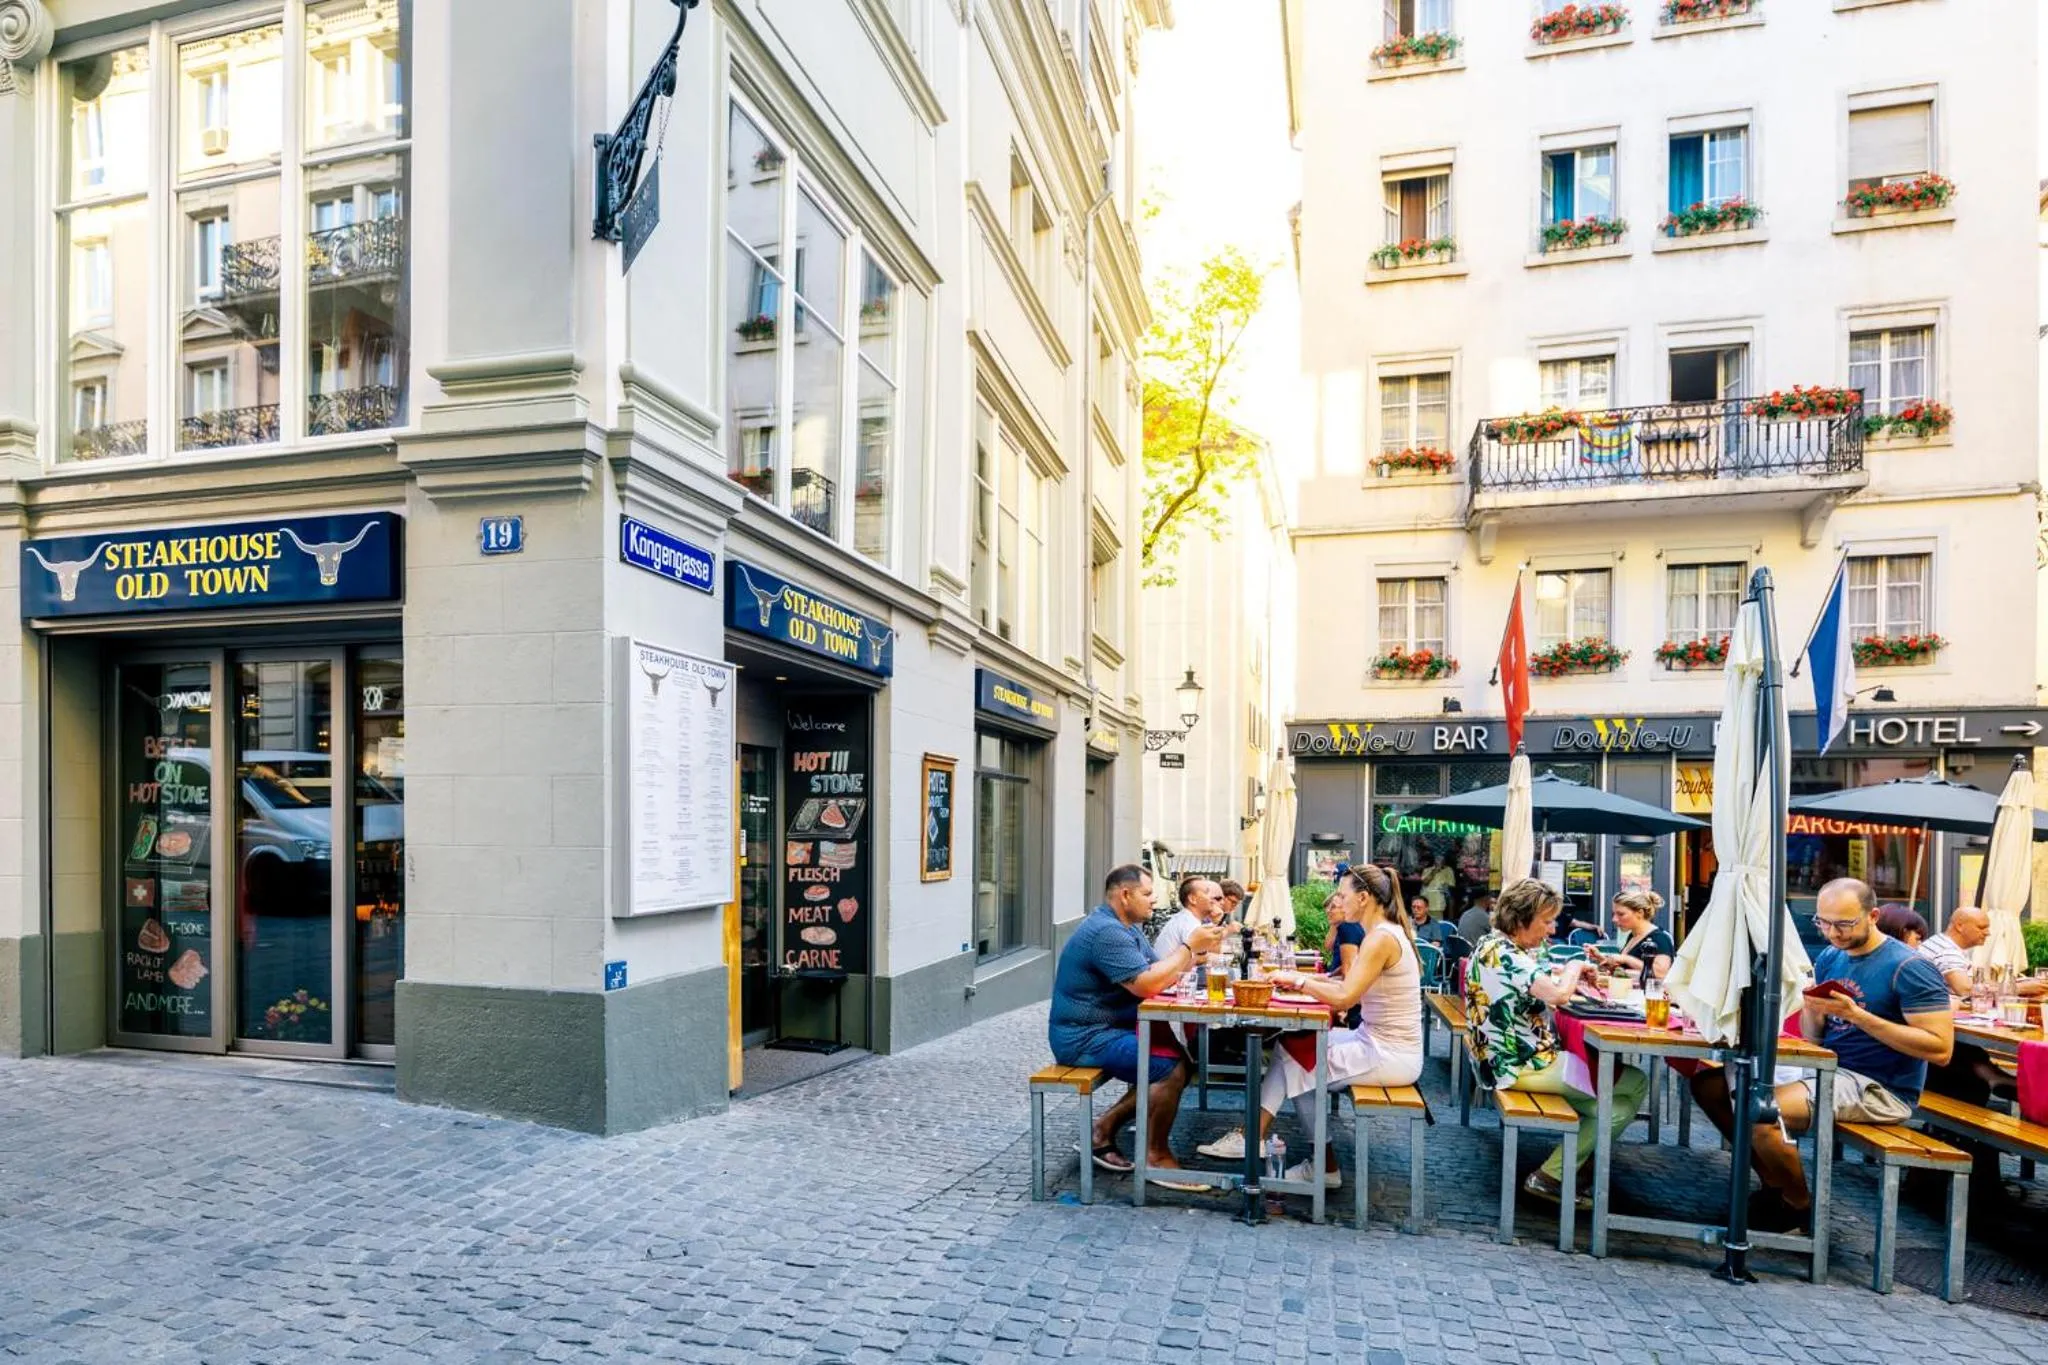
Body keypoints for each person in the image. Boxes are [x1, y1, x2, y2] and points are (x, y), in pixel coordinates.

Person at [1689, 877, 1954, 1233]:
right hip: (1829, 1069)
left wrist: (1856, 1015)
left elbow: (1940, 1049)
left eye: (1844, 924)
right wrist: (1812, 1009)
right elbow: (1816, 1040)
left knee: (1760, 1109)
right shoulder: (1832, 956)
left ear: (1873, 915)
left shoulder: (1910, 968)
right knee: (1710, 1085)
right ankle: (1775, 1186)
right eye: (1823, 923)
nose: (1833, 933)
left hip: (1881, 1088)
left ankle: (1798, 1207)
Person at [1196, 864, 1424, 1187]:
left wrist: (1300, 981)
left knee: (1300, 1061)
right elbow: (1347, 982)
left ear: (1363, 898)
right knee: (1295, 1050)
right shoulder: (1383, 932)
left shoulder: (1381, 938)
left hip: (1390, 1054)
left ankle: (1315, 1164)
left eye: (1343, 896)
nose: (1338, 902)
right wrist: (1300, 980)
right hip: (1377, 1041)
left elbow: (1344, 997)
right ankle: (1259, 1139)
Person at [1466, 878, 1650, 1208]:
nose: (1552, 930)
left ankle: (1554, 1175)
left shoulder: (1493, 946)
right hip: (1521, 1064)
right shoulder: (1509, 955)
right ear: (1521, 919)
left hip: (1502, 1059)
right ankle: (1560, 1173)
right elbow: (1558, 995)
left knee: (1617, 1107)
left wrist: (1565, 970)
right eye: (1547, 921)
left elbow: (1535, 984)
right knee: (1635, 1082)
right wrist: (1576, 966)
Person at [1048, 863, 1227, 1181]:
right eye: (1147, 894)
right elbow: (1147, 985)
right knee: (1169, 1067)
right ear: (1125, 895)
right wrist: (1189, 948)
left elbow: (1160, 971)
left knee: (1180, 1062)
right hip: (1084, 1036)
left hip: (1111, 1028)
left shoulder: (1127, 928)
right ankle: (1155, 1156)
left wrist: (1194, 954)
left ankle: (1102, 1129)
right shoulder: (1107, 932)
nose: (1154, 900)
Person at [1587, 890, 1675, 985]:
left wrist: (1626, 959)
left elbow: (1661, 973)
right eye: (1614, 914)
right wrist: (1601, 958)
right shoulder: (1632, 936)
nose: (1614, 919)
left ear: (1640, 913)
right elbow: (1625, 970)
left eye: (1621, 914)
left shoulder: (1660, 938)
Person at [1919, 906, 1988, 999]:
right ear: (1959, 926)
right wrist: (2000, 989)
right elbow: (1965, 990)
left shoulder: (1943, 942)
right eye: (1981, 927)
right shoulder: (1947, 951)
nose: (1987, 932)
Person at [1153, 877, 1226, 960]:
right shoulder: (1188, 922)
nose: (1212, 898)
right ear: (1192, 899)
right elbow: (1200, 958)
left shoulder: (1187, 918)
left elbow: (1210, 952)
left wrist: (1215, 922)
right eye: (1207, 892)